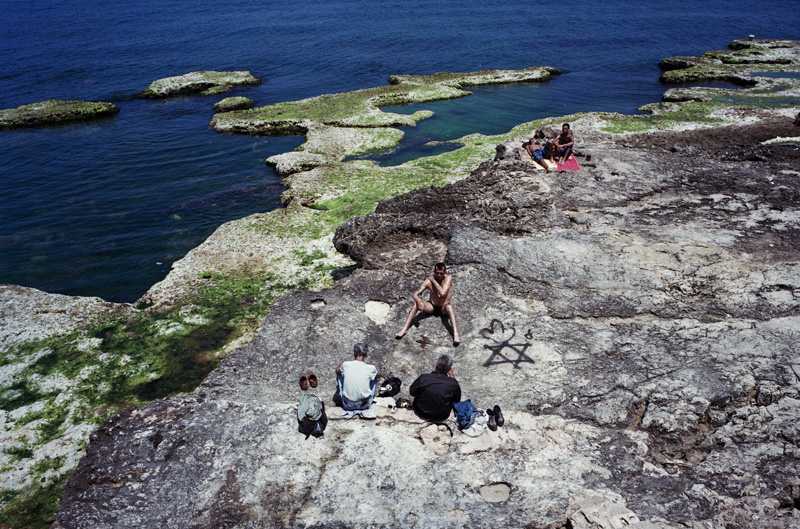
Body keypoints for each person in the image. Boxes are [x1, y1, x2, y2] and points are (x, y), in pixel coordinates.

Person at [395, 262, 461, 346]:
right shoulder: (428, 281)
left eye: (441, 273)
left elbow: (443, 293)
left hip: (444, 307)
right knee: (416, 304)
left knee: (450, 307)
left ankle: (455, 334)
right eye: (437, 273)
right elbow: (415, 294)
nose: (439, 275)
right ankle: (404, 329)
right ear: (434, 272)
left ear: (445, 273)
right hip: (432, 306)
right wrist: (418, 300)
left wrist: (433, 280)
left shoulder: (448, 278)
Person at [409, 355, 461, 422]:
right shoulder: (453, 384)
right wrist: (452, 376)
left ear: (437, 366)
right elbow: (457, 400)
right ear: (449, 369)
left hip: (420, 412)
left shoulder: (424, 378)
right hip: (440, 416)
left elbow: (412, 392)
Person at [335, 343, 380, 414]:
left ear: (353, 353)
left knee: (340, 374)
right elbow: (378, 375)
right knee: (374, 378)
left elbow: (337, 371)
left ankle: (347, 395)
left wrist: (339, 367)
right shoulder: (371, 368)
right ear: (367, 354)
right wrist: (376, 374)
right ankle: (369, 401)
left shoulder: (346, 364)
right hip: (363, 405)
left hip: (347, 405)